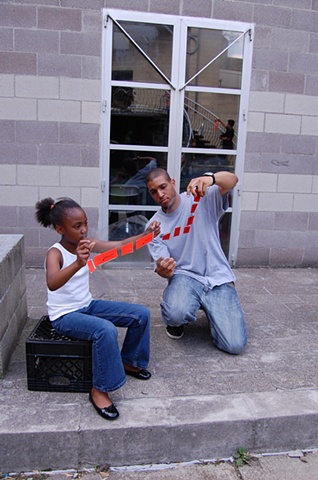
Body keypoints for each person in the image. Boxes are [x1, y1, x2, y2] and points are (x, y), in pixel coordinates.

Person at [35, 197, 160, 421]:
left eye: (85, 223)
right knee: (105, 330)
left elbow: (121, 247)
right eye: (77, 226)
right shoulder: (55, 253)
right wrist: (77, 264)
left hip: (87, 305)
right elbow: (52, 282)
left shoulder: (87, 244)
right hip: (65, 316)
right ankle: (99, 389)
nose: (83, 230)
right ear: (60, 229)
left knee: (140, 314)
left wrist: (146, 235)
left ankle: (129, 362)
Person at [145, 168, 247, 355]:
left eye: (163, 187)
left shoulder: (200, 197)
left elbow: (232, 180)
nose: (160, 194)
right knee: (175, 313)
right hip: (186, 277)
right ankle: (178, 318)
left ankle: (212, 309)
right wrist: (163, 270)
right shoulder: (154, 227)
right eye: (153, 191)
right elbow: (162, 261)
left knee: (234, 346)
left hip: (218, 276)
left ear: (173, 183)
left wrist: (211, 179)